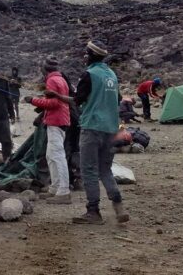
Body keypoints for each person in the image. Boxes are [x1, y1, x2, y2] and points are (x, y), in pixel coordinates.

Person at [48, 41, 129, 224]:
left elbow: (77, 100)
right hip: (110, 129)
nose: (84, 57)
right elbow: (116, 99)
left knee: (89, 170)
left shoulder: (89, 75)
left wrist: (57, 96)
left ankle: (93, 212)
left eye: (86, 54)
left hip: (92, 128)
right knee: (105, 169)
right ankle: (119, 207)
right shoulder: (112, 75)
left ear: (91, 55)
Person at [25, 57, 71, 204]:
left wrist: (32, 100)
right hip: (61, 120)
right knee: (51, 155)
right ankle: (55, 188)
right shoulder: (61, 79)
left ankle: (63, 191)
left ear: (45, 69)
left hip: (55, 121)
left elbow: (53, 103)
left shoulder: (51, 80)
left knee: (57, 156)